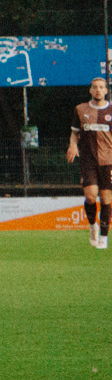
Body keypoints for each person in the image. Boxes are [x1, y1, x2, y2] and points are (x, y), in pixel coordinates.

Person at [68, 75, 112, 249]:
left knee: (107, 198)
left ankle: (103, 237)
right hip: (88, 159)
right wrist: (72, 145)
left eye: (101, 87)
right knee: (91, 196)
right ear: (90, 90)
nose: (98, 90)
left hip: (109, 160)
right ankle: (92, 225)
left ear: (106, 90)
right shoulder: (80, 109)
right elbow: (74, 133)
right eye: (95, 87)